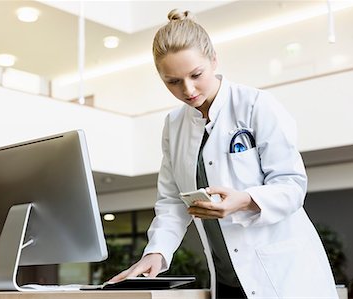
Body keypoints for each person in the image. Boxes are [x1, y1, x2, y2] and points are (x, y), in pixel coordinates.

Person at [109, 9, 338, 299]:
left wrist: (245, 200)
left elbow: (292, 186)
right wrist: (156, 252)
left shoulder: (256, 105)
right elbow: (172, 201)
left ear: (214, 60)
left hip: (284, 277)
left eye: (196, 75)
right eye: (173, 81)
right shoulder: (174, 124)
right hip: (228, 281)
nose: (188, 90)